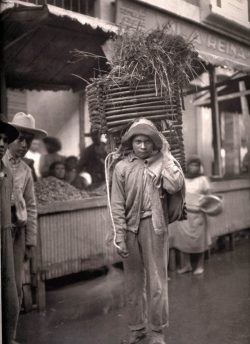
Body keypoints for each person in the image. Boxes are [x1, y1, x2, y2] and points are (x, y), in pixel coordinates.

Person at [110, 118, 185, 344]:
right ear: (131, 143)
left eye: (147, 142)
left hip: (155, 226)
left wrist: (166, 155)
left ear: (155, 143)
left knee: (157, 282)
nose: (142, 146)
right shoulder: (122, 167)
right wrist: (120, 237)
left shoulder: (161, 163)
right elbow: (116, 204)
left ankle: (157, 332)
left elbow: (175, 185)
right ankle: (137, 329)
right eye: (138, 141)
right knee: (133, 283)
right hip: (129, 229)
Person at [3, 112, 47, 337]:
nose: (24, 144)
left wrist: (30, 240)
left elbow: (31, 206)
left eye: (28, 141)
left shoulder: (26, 170)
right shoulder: (1, 162)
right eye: (19, 138)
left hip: (17, 232)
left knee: (14, 286)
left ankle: (9, 336)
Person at [173, 156, 211, 275]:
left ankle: (200, 265)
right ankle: (186, 265)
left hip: (198, 215)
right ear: (187, 166)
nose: (193, 167)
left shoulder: (203, 180)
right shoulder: (183, 178)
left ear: (199, 167)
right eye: (191, 164)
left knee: (199, 242)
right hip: (184, 214)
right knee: (183, 241)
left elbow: (209, 197)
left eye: (196, 165)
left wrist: (203, 205)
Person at [0, 120, 20, 344]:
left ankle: (8, 337)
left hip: (4, 234)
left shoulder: (7, 172)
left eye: (5, 140)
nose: (1, 144)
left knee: (9, 292)